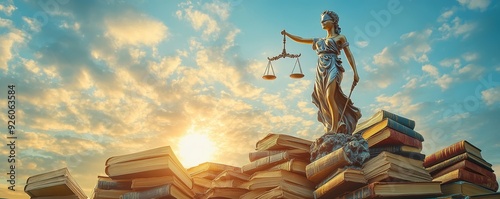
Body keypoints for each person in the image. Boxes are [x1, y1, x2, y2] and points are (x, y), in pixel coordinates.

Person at [282, 10, 361, 134]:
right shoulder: (319, 40)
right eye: (321, 20)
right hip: (321, 68)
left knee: (330, 96)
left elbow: (349, 55)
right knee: (322, 98)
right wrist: (287, 34)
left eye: (325, 20)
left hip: (333, 65)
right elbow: (301, 39)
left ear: (333, 21)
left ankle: (334, 128)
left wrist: (355, 73)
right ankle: (330, 125)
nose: (322, 22)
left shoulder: (340, 37)